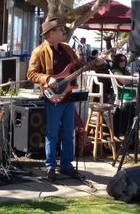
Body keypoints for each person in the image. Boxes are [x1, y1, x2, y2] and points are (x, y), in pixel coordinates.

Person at [26, 17, 103, 180]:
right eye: (61, 30)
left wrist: (96, 63)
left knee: (69, 132)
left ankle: (66, 165)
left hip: (68, 96)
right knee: (52, 133)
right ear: (51, 33)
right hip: (53, 97)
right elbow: (31, 74)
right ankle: (50, 167)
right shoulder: (39, 51)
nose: (64, 32)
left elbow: (80, 66)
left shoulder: (67, 48)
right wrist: (47, 79)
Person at [111, 53, 137, 136]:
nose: (123, 62)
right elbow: (124, 81)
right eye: (121, 60)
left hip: (130, 93)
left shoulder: (124, 70)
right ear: (117, 61)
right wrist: (135, 80)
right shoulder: (116, 71)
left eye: (125, 61)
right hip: (126, 94)